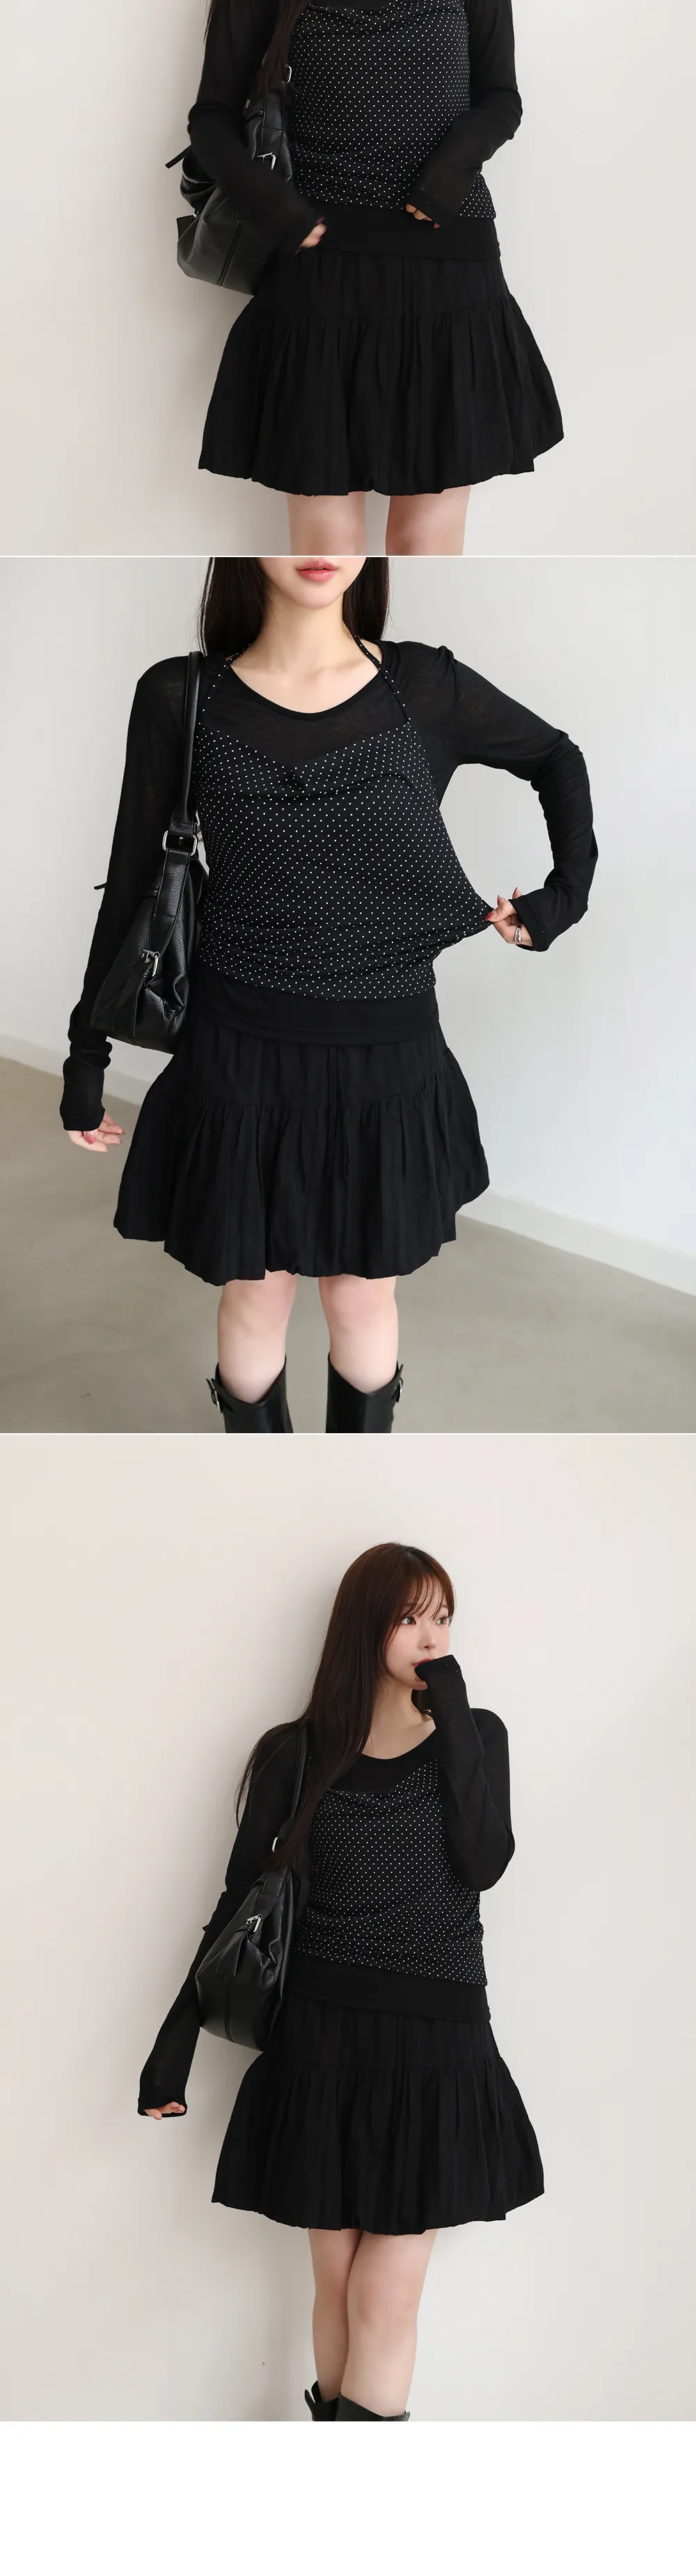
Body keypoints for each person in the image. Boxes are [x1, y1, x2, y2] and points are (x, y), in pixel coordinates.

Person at [61, 556, 596, 1432]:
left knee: (361, 1294)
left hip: (385, 1057)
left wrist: (562, 900)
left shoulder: (424, 687)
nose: (319, 550)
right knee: (255, 1292)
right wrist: (86, 1054)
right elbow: (131, 886)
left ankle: (348, 1479)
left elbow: (554, 757)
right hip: (239, 1053)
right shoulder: (182, 695)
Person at [139, 1540, 544, 2421]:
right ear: (366, 1626)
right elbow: (237, 1906)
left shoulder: (477, 1736)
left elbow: (483, 1863)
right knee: (338, 2290)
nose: (432, 1637)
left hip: (435, 2043)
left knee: (381, 2299)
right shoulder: (296, 1752)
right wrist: (172, 2047)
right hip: (322, 2039)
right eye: (411, 1618)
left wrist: (453, 1712)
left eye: (444, 1618)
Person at [184, 0, 562, 554]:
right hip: (319, 277)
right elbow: (210, 119)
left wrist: (447, 175)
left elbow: (500, 97)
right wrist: (282, 214)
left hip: (449, 275)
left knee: (429, 545)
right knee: (327, 541)